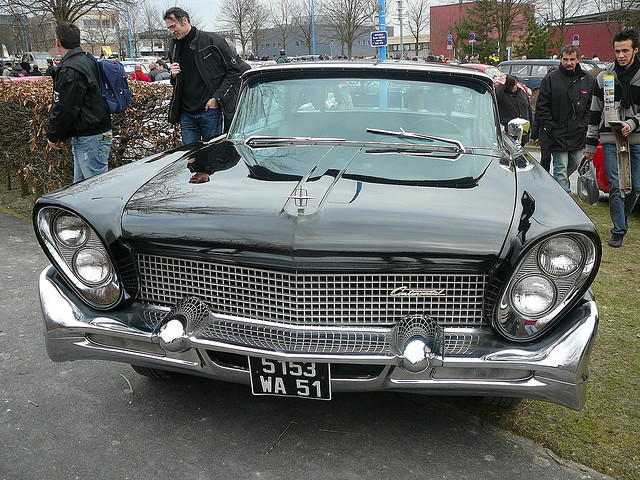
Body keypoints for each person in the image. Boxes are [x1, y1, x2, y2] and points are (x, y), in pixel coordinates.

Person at [585, 29, 640, 248]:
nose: (621, 55)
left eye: (626, 50)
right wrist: (590, 145)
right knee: (616, 185)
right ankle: (618, 230)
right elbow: (594, 112)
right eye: (617, 51)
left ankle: (622, 218)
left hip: (635, 138)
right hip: (609, 138)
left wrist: (632, 123)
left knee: (635, 186)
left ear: (635, 50)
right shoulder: (604, 77)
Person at [164, 6, 242, 144]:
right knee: (190, 160)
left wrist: (217, 98)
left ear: (185, 20)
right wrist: (174, 76)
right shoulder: (174, 47)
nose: (171, 31)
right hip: (186, 114)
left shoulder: (212, 41)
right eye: (169, 28)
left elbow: (234, 72)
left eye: (173, 26)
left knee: (211, 160)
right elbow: (178, 82)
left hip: (209, 111)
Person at [46, 22, 112, 183]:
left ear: (58, 42)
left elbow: (65, 108)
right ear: (79, 42)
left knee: (93, 192)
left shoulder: (70, 68)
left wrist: (53, 136)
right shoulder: (87, 61)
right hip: (94, 133)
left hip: (89, 136)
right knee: (83, 191)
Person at [535, 45, 594, 193]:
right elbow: (542, 105)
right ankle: (563, 198)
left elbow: (591, 105)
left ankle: (555, 188)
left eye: (572, 59)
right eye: (565, 59)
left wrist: (584, 124)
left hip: (578, 132)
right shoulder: (551, 79)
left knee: (574, 164)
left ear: (578, 59)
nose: (568, 62)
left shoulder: (587, 80)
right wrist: (551, 126)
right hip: (557, 131)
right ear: (560, 59)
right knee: (560, 169)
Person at [494, 74, 532, 143]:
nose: (516, 87)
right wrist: (502, 84)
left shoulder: (521, 93)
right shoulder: (502, 95)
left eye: (516, 84)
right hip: (509, 133)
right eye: (513, 85)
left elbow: (529, 111)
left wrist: (531, 129)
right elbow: (495, 97)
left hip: (523, 132)